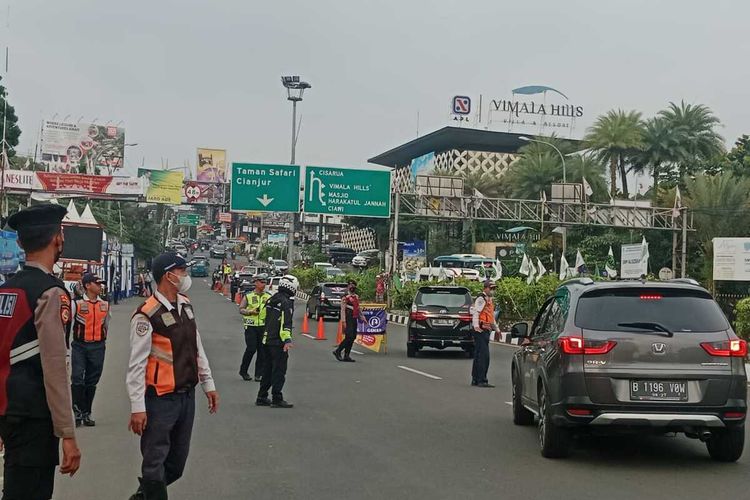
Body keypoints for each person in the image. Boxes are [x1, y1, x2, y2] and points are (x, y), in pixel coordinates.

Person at [0, 203, 81, 499]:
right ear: (58, 239)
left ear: (20, 243)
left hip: (8, 410)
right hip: (34, 416)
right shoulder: (51, 293)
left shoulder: (7, 289)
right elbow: (55, 368)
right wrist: (67, 434)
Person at [126, 252, 219, 500]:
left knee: (176, 465)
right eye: (182, 271)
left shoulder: (186, 304)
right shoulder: (147, 315)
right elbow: (136, 365)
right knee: (154, 464)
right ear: (169, 275)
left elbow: (196, 346)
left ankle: (141, 497)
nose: (185, 275)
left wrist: (208, 383)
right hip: (160, 400)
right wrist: (137, 407)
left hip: (186, 396)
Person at [70, 273, 109, 427]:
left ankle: (87, 412)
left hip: (98, 346)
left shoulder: (104, 304)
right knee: (77, 378)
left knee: (92, 380)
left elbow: (106, 324)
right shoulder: (77, 303)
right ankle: (77, 412)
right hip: (80, 346)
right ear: (87, 286)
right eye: (97, 283)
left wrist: (102, 340)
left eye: (100, 284)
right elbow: (68, 324)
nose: (100, 286)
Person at [256, 275, 297, 409]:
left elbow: (262, 318)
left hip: (266, 340)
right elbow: (286, 323)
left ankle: (261, 396)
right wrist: (287, 340)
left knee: (267, 369)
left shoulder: (271, 299)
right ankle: (276, 398)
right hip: (278, 342)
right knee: (279, 370)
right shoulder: (286, 303)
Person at [238, 275, 271, 381]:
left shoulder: (268, 296)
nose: (264, 284)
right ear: (256, 283)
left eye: (265, 282)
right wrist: (250, 312)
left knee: (262, 351)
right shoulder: (248, 296)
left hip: (263, 326)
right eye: (261, 282)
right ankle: (243, 371)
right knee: (251, 349)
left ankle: (259, 374)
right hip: (250, 326)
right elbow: (241, 309)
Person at [471, 280, 501, 388]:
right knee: (484, 356)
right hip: (480, 330)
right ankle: (481, 380)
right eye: (491, 288)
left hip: (486, 330)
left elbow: (491, 318)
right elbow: (476, 313)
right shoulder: (481, 299)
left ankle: (476, 379)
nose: (493, 291)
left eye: (494, 289)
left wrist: (497, 329)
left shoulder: (489, 300)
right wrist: (476, 326)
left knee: (479, 355)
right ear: (485, 288)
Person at [334, 279, 366, 362]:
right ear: (348, 286)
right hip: (348, 318)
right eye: (350, 286)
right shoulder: (345, 297)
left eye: (353, 286)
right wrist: (343, 321)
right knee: (349, 336)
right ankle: (338, 351)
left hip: (354, 318)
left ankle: (346, 355)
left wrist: (362, 317)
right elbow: (342, 309)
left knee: (353, 337)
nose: (352, 287)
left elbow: (358, 308)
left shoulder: (356, 296)